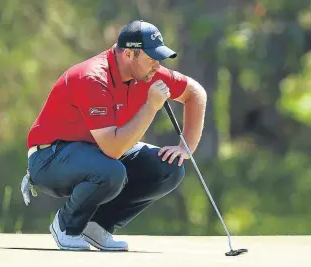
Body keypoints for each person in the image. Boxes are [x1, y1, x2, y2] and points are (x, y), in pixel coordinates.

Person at [21, 20, 207, 251]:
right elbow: (113, 149)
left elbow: (195, 92)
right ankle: (67, 226)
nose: (156, 65)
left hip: (96, 152)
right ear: (129, 53)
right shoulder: (93, 77)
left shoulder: (149, 73)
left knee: (169, 167)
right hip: (49, 158)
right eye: (151, 58)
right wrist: (151, 107)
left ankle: (97, 227)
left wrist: (185, 147)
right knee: (110, 171)